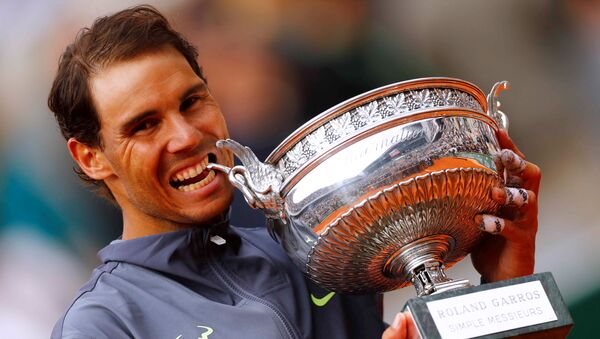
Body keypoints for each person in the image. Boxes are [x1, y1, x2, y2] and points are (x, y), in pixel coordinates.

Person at [48, 5, 541, 339]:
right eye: (145, 125)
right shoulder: (105, 324)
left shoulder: (318, 246)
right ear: (91, 156)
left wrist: (505, 288)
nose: (185, 136)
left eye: (191, 102)